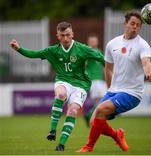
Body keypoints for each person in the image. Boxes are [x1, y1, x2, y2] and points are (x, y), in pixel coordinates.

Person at [9, 21, 104, 151]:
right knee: (60, 94)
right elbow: (34, 54)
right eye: (62, 35)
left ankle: (61, 144)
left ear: (72, 34)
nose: (65, 38)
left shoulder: (82, 49)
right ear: (58, 36)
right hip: (63, 80)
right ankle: (53, 130)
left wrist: (116, 68)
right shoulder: (53, 50)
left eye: (68, 35)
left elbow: (102, 58)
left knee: (73, 111)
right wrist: (19, 49)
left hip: (81, 85)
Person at [77, 10, 151, 153]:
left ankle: (89, 147)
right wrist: (109, 89)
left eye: (138, 25)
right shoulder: (112, 44)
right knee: (93, 121)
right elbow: (107, 69)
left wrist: (149, 73)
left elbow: (146, 62)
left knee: (100, 110)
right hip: (114, 90)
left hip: (132, 93)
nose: (135, 27)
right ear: (125, 23)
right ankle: (117, 135)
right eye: (132, 23)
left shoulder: (143, 45)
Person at [84, 35, 107, 126]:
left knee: (102, 102)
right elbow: (83, 65)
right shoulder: (87, 52)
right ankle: (93, 118)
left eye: (95, 41)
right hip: (93, 81)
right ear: (88, 42)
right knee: (101, 101)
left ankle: (89, 115)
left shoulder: (100, 52)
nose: (93, 42)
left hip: (101, 81)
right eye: (91, 41)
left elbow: (105, 67)